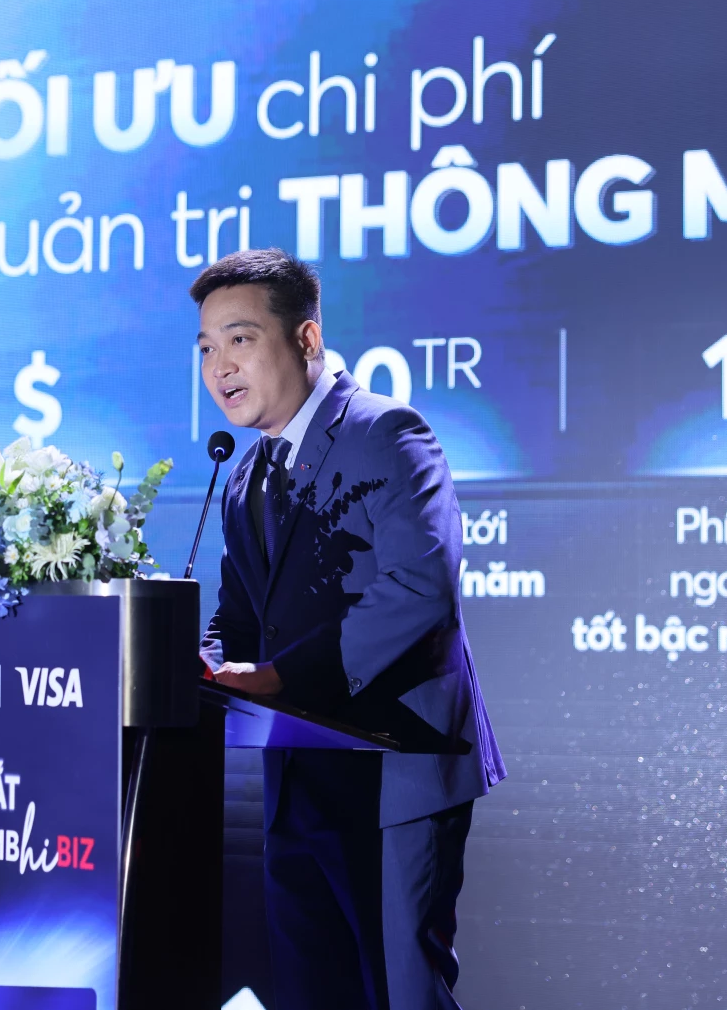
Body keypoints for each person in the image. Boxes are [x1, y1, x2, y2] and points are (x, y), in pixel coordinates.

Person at [193, 248, 504, 1010]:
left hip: (394, 767)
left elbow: (421, 586)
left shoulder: (385, 432)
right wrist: (197, 665)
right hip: (296, 775)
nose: (219, 366)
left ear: (305, 338)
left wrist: (281, 676)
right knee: (311, 992)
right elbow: (242, 616)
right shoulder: (244, 475)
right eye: (205, 347)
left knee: (401, 993)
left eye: (239, 339)